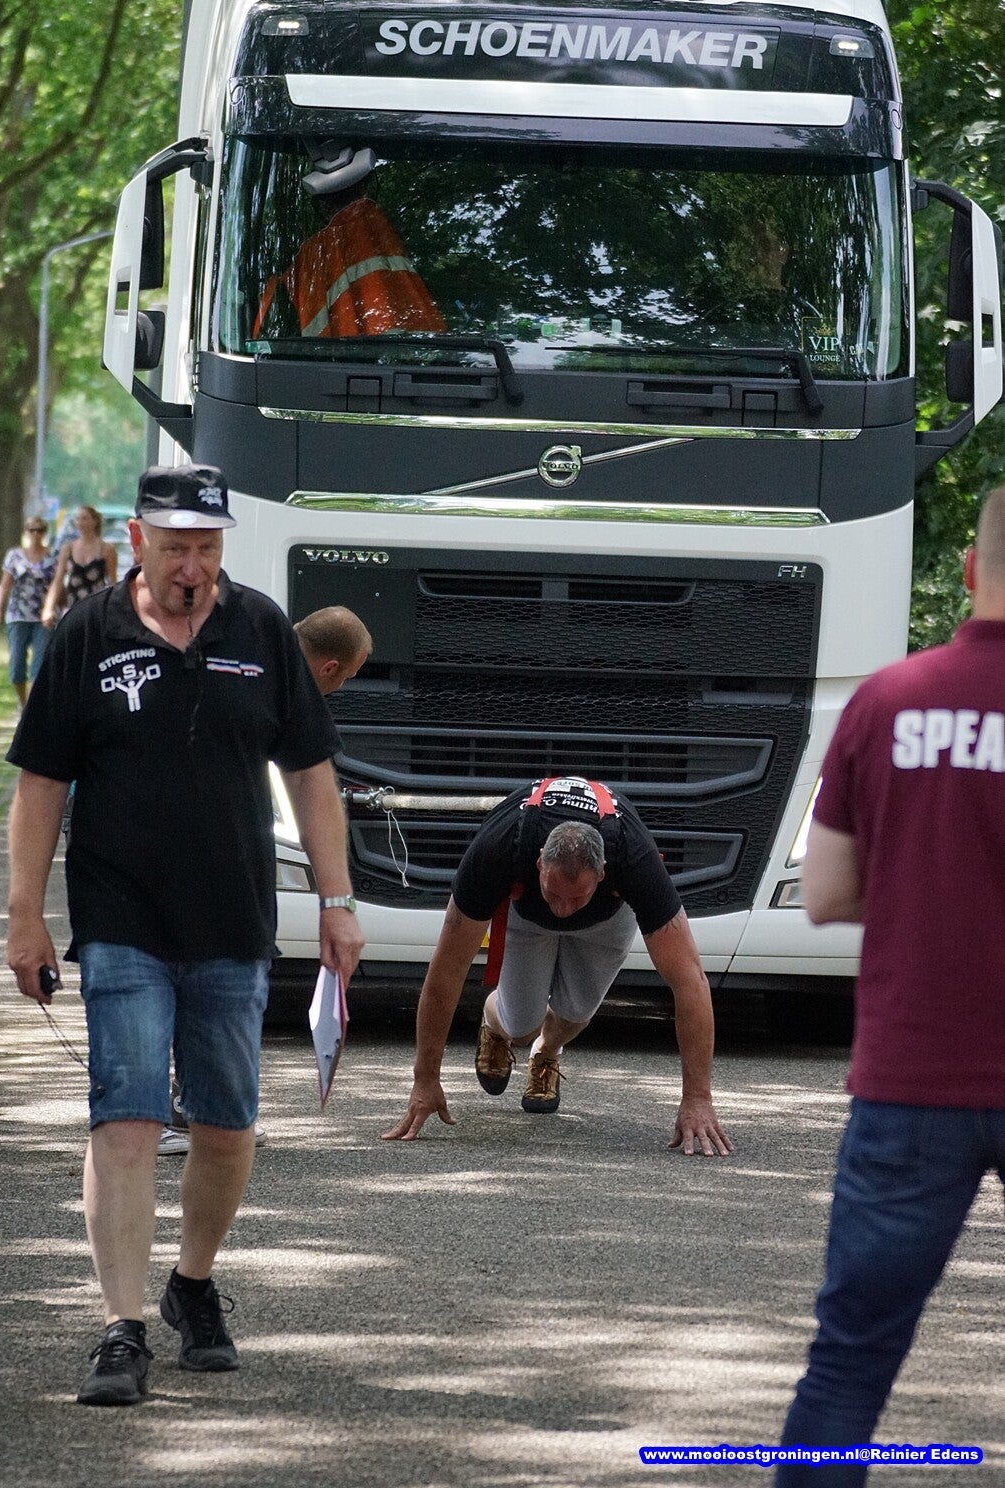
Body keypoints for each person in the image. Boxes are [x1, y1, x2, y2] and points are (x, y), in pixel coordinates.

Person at [4, 463, 364, 1407]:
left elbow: (312, 774)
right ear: (138, 541)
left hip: (232, 918)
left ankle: (191, 1284)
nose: (191, 568)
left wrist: (337, 901)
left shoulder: (262, 632)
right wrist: (23, 914)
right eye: (175, 549)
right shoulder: (88, 635)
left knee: (226, 1124)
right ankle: (120, 1328)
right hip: (119, 916)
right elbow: (40, 783)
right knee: (125, 1117)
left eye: (206, 548)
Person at [775, 486, 1005, 1487]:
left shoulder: (886, 700)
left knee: (849, 1361)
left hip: (910, 1078)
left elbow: (824, 893)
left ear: (969, 568)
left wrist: (926, 885)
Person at [383, 774, 732, 1154]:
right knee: (521, 1025)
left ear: (602, 873)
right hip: (526, 914)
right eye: (554, 893)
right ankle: (494, 1022)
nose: (563, 910)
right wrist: (425, 1078)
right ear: (538, 863)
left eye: (575, 897)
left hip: (606, 919)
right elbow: (445, 972)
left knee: (576, 1010)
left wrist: (698, 1098)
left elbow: (690, 981)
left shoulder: (635, 859)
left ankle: (547, 1052)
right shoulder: (497, 850)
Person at [157, 603, 373, 1157]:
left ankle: (183, 1105)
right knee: (188, 973)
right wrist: (336, 898)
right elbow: (307, 783)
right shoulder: (276, 680)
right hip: (201, 853)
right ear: (328, 668)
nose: (339, 689)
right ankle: (179, 1107)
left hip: (187, 845)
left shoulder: (244, 658)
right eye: (345, 678)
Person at [252, 140, 446, 341]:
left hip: (326, 357)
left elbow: (267, 331)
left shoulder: (309, 257)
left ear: (323, 207)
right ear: (365, 190)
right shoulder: (387, 233)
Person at [0, 516, 57, 708]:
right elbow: (4, 584)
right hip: (17, 615)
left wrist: (53, 608)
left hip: (42, 618)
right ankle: (23, 703)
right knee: (17, 666)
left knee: (39, 665)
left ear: (44, 533)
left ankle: (32, 709)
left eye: (39, 530)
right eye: (31, 530)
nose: (35, 534)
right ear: (26, 532)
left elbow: (57, 584)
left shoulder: (53, 556)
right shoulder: (14, 556)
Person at [41, 504, 118, 627]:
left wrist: (114, 608)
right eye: (77, 519)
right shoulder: (68, 548)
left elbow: (112, 582)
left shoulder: (107, 549)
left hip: (96, 608)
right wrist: (48, 608)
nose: (80, 523)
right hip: (73, 606)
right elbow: (58, 580)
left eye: (84, 518)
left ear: (94, 521)